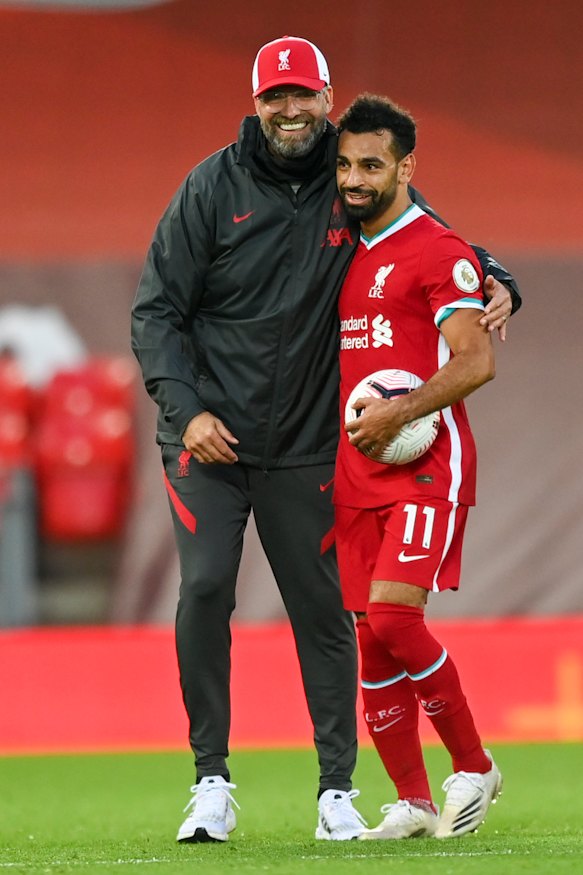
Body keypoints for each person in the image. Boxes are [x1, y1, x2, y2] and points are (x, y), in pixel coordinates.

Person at [130, 36, 519, 844]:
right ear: (256, 103)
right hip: (206, 437)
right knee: (204, 589)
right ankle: (210, 780)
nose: (289, 110)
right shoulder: (210, 186)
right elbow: (156, 310)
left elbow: (427, 236)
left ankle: (336, 788)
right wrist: (184, 407)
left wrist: (498, 277)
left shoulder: (346, 176)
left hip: (306, 442)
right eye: (274, 97)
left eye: (302, 95)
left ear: (325, 96)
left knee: (328, 612)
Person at [333, 93, 504, 840]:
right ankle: (412, 800)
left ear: (407, 166)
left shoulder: (438, 250)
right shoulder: (346, 250)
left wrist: (401, 414)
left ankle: (474, 763)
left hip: (427, 461)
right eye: (344, 164)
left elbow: (476, 361)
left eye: (371, 163)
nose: (354, 177)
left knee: (398, 616)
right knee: (370, 635)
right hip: (356, 467)